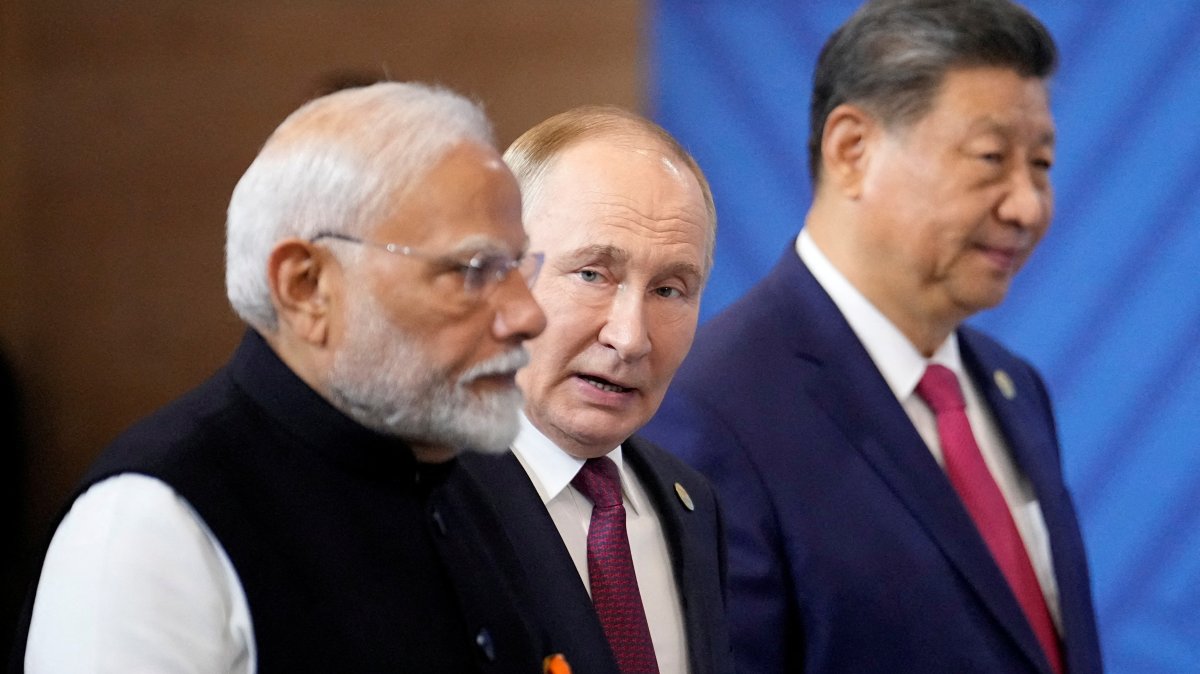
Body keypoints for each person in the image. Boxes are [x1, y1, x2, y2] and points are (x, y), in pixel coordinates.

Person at [13, 82, 559, 672]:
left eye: (516, 266)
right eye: (474, 270)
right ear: (307, 287)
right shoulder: (148, 526)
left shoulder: (466, 487)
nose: (528, 315)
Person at [641, 1, 1104, 672]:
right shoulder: (715, 409)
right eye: (991, 157)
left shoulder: (1015, 388)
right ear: (852, 150)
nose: (1027, 205)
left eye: (1042, 163)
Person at [459, 106, 733, 674]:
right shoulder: (420, 499)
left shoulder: (691, 505)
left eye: (669, 290)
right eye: (592, 274)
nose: (630, 338)